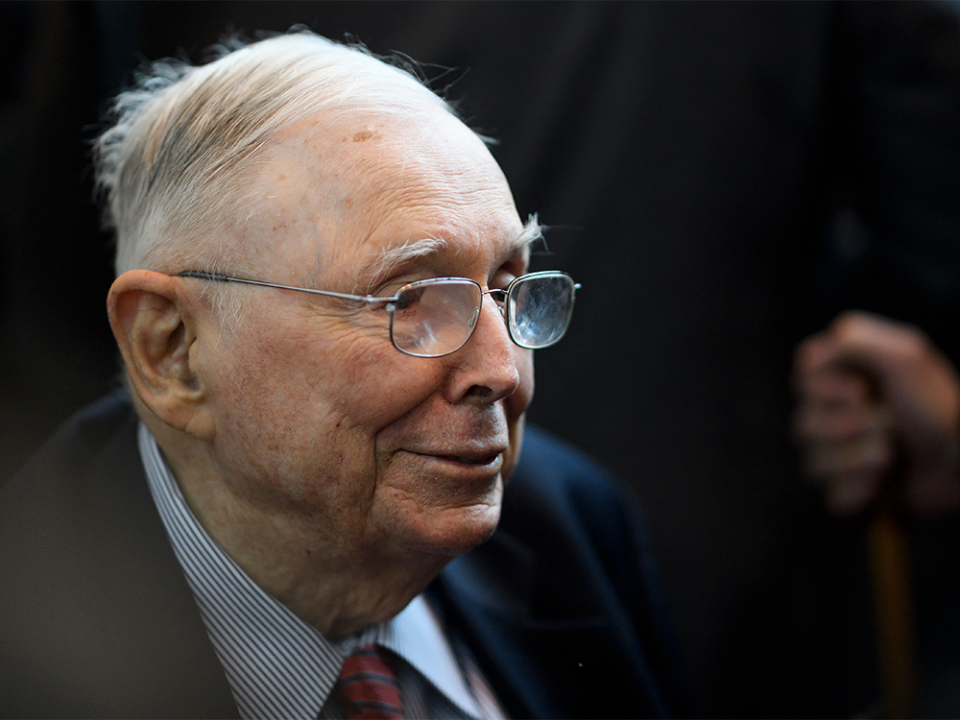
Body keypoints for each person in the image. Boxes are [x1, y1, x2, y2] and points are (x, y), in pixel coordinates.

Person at [0, 31, 691, 720]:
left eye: (508, 286)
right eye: (411, 300)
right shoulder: (30, 646)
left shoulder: (572, 522)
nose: (501, 371)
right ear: (172, 350)